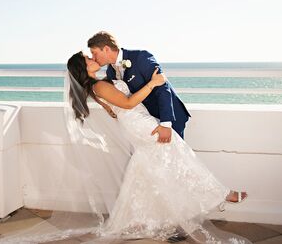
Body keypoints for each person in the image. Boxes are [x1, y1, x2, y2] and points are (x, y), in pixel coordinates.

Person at [65, 51, 248, 243]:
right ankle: (222, 195)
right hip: (141, 124)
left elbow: (112, 111)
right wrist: (153, 83)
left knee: (147, 167)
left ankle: (142, 218)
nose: (93, 59)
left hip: (137, 123)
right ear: (82, 68)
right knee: (179, 154)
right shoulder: (99, 85)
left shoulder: (97, 86)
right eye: (88, 59)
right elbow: (127, 103)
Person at [88, 31, 190, 142]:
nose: (93, 58)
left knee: (173, 157)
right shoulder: (110, 72)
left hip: (169, 116)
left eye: (94, 53)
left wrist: (165, 123)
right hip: (147, 121)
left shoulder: (140, 57)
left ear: (106, 49)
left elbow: (162, 87)